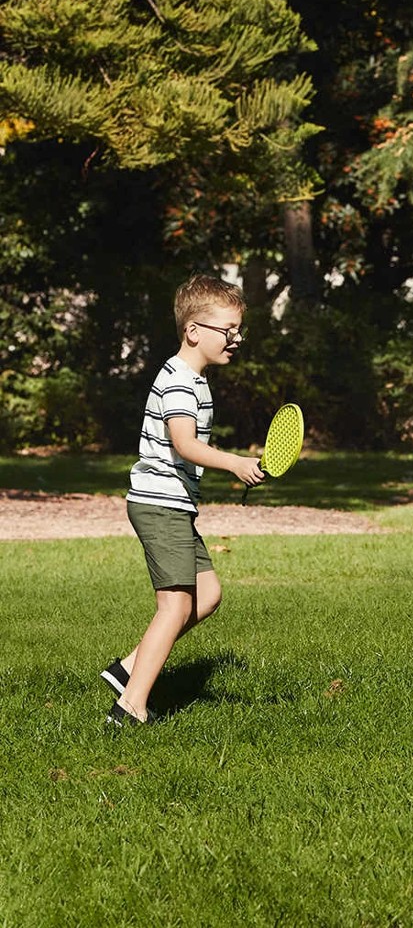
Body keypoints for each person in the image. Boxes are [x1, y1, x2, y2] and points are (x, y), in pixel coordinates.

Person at [102, 273, 265, 726]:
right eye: (227, 331)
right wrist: (233, 463)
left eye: (238, 331)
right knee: (174, 606)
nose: (236, 339)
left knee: (207, 596)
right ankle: (131, 706)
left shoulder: (193, 378)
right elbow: (184, 444)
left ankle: (129, 667)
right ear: (194, 331)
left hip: (173, 504)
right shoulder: (178, 381)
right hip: (159, 503)